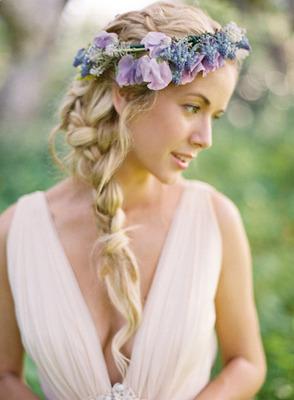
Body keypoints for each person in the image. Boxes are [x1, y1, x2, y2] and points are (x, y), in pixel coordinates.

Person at [0, 1, 267, 399]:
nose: (204, 138)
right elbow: (5, 375)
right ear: (125, 94)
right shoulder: (14, 231)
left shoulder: (214, 220)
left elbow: (247, 362)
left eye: (215, 116)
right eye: (193, 107)